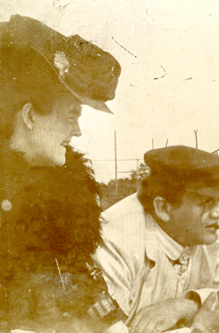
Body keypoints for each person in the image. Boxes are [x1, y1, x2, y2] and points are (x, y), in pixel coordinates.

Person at [0, 15, 126, 332]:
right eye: (71, 115)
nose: (78, 131)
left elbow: (84, 290)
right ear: (29, 116)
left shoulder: (66, 201)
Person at [93, 146, 219, 333]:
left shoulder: (203, 232)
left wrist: (186, 305)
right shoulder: (114, 240)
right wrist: (199, 330)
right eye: (206, 202)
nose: (218, 213)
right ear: (164, 208)